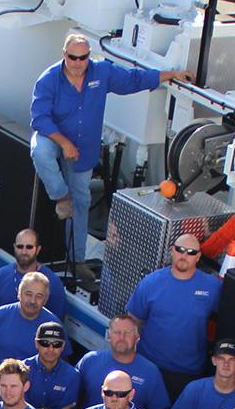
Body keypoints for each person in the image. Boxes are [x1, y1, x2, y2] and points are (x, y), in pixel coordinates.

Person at [30, 32, 187, 267]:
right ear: (64, 55)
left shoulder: (101, 72)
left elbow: (133, 80)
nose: (78, 63)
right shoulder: (48, 79)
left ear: (89, 57)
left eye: (83, 58)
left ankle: (77, 260)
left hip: (84, 147)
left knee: (82, 201)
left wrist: (170, 75)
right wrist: (64, 143)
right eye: (73, 57)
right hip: (55, 139)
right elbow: (40, 119)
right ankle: (61, 196)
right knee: (39, 151)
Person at [126, 233, 222, 399]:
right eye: (180, 250)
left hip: (188, 373)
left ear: (198, 257)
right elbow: (132, 321)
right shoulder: (150, 283)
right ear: (172, 251)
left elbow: (226, 319)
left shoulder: (213, 287)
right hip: (150, 366)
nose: (184, 255)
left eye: (191, 252)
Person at [78, 314, 172, 409]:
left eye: (128, 333)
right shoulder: (89, 361)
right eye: (117, 332)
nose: (122, 337)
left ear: (137, 337)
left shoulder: (151, 372)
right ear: (109, 336)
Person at [0, 231, 68, 321]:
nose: (24, 251)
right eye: (20, 246)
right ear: (14, 247)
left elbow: (57, 322)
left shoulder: (53, 282)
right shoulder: (0, 275)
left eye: (29, 247)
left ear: (38, 249)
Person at [0, 271, 58, 362]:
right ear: (19, 293)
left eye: (39, 296)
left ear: (46, 299)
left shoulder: (53, 325)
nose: (33, 301)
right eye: (28, 294)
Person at [23, 321, 81, 409]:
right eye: (45, 343)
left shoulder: (72, 376)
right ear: (36, 343)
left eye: (56, 344)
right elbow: (19, 408)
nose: (51, 349)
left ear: (63, 346)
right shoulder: (23, 368)